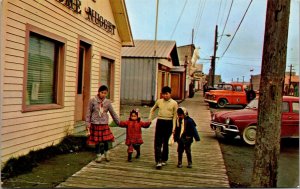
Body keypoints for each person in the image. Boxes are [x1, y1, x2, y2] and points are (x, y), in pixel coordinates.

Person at [86, 85, 120, 163]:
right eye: (102, 92)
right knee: (97, 141)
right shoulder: (92, 100)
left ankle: (106, 154)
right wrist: (88, 123)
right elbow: (88, 112)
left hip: (104, 123)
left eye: (105, 93)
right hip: (95, 123)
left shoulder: (107, 102)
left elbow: (113, 112)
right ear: (98, 92)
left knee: (106, 140)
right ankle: (98, 156)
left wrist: (118, 121)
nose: (103, 94)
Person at [149, 86, 178, 169]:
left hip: (169, 123)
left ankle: (164, 159)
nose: (165, 96)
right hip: (160, 122)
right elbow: (152, 109)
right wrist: (150, 118)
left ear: (170, 94)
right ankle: (158, 160)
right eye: (163, 94)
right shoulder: (159, 101)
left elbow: (175, 116)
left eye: (167, 94)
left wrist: (174, 128)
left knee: (166, 142)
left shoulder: (174, 103)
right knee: (157, 142)